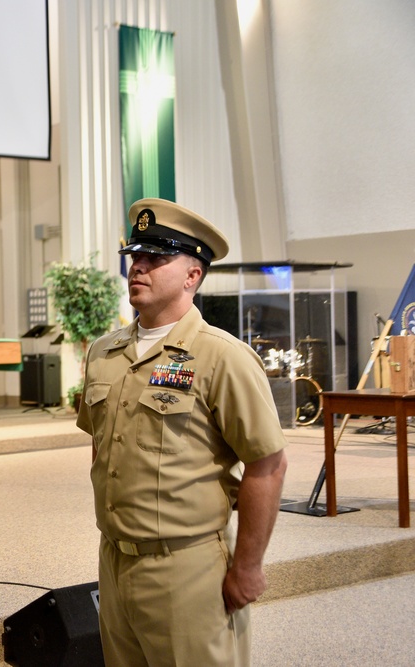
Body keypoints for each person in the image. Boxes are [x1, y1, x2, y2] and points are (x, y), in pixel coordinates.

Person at [76, 198, 288, 666]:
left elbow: (267, 464)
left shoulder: (221, 357)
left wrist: (248, 566)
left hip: (186, 568)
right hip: (114, 561)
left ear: (193, 275)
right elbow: (100, 447)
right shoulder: (104, 353)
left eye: (157, 257)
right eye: (136, 256)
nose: (139, 267)